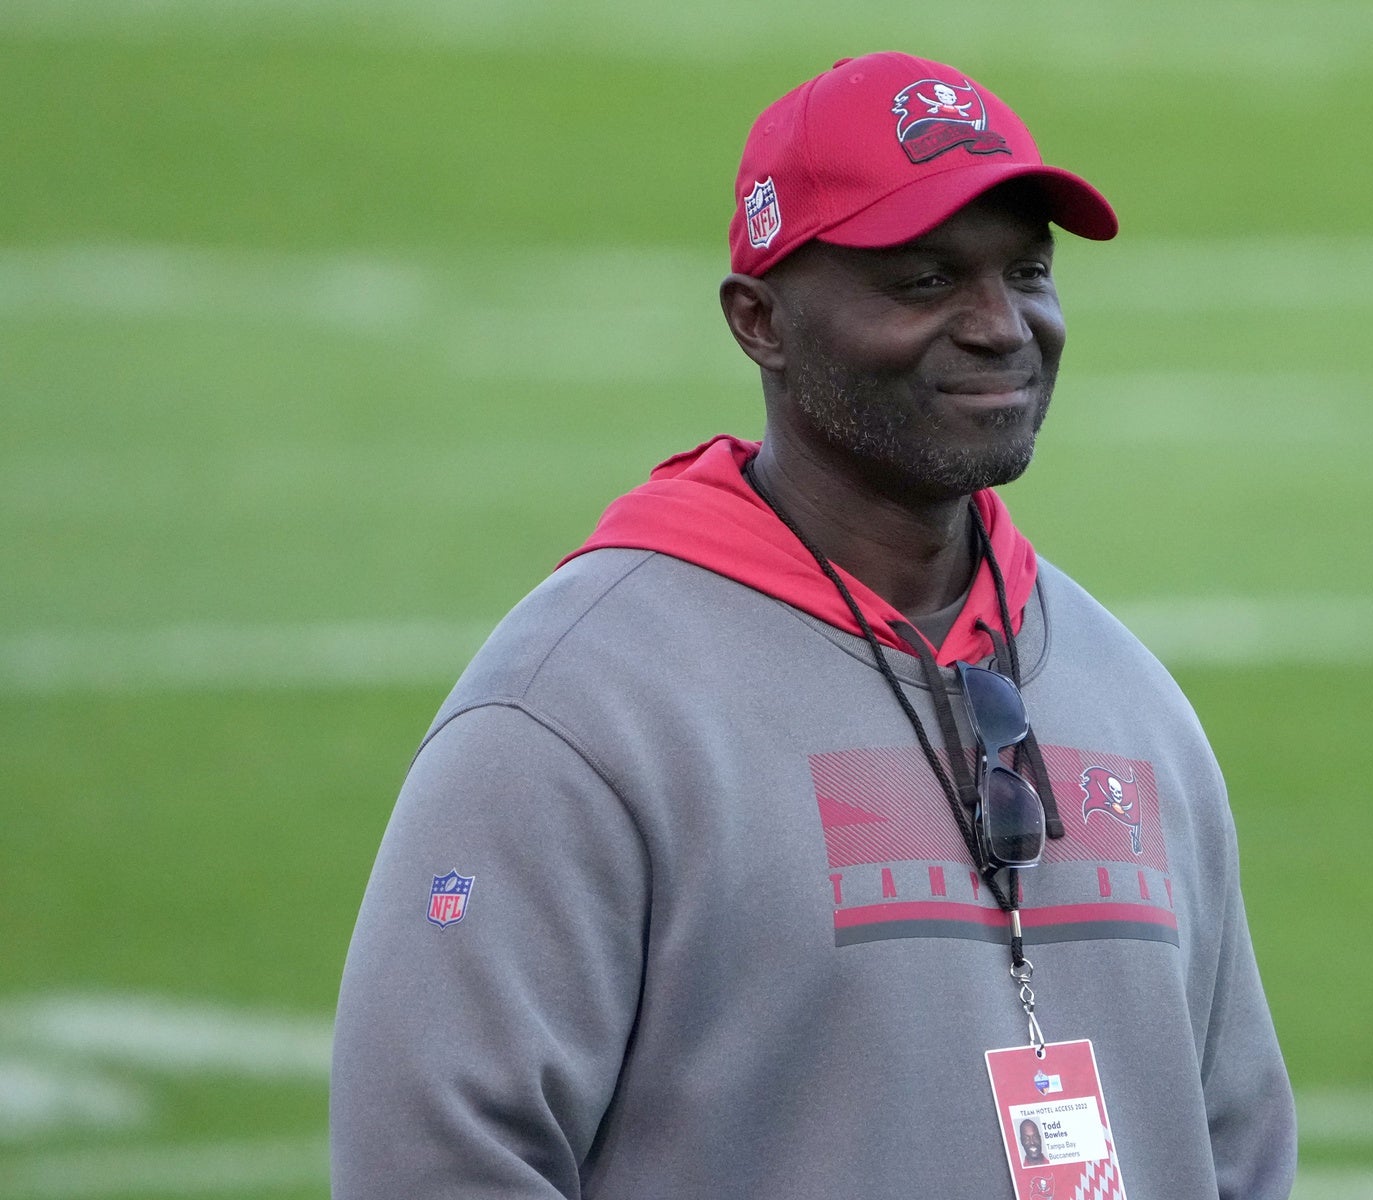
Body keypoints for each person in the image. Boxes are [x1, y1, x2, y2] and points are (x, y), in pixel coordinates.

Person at [331, 50, 1296, 1199]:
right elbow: (435, 1159)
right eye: (927, 281)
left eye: (1027, 272)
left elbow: (1233, 1148)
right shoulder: (578, 707)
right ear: (761, 322)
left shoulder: (1130, 701)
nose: (1002, 326)